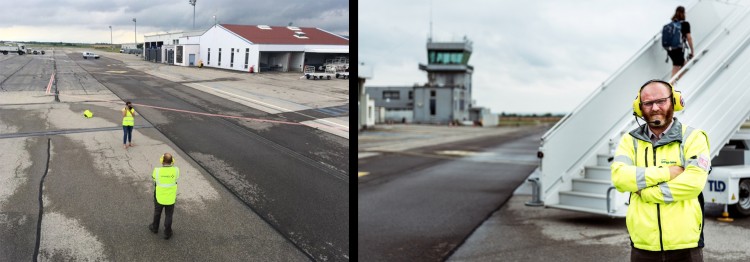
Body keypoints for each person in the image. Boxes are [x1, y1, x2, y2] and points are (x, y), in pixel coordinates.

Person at [611, 79, 710, 261]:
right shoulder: (629, 141)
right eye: (648, 103)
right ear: (639, 108)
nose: (655, 108)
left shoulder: (693, 138)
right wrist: (667, 173)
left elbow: (693, 184)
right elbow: (619, 178)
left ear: (674, 101)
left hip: (685, 245)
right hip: (643, 245)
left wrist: (646, 192)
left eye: (661, 101)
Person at [148, 153, 180, 240]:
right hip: (170, 198)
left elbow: (154, 178)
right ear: (172, 161)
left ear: (162, 161)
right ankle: (167, 232)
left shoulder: (157, 171)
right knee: (169, 215)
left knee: (157, 213)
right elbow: (176, 178)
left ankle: (155, 228)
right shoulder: (176, 170)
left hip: (159, 197)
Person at [666, 6, 695, 78]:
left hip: (669, 49)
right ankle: (669, 87)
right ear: (683, 13)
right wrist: (692, 51)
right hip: (678, 49)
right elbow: (689, 38)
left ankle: (680, 82)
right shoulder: (685, 24)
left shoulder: (671, 24)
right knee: (676, 67)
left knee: (684, 65)